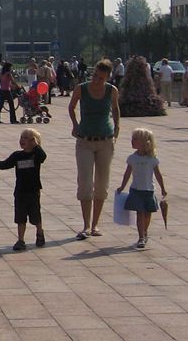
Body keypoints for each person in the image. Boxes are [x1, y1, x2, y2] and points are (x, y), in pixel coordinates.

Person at [68, 59, 120, 240]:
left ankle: (95, 224)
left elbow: (115, 109)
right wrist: (75, 125)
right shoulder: (81, 88)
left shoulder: (112, 90)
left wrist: (117, 128)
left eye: (101, 78)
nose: (97, 80)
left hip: (105, 140)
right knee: (85, 182)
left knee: (101, 183)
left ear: (108, 78)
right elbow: (71, 107)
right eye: (95, 76)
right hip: (85, 140)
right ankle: (86, 225)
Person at [0, 128, 47, 251]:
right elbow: (5, 164)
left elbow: (43, 157)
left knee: (35, 215)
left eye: (26, 138)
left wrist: (36, 146)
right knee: (20, 216)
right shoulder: (17, 155)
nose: (22, 140)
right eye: (21, 137)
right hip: (20, 191)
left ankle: (40, 233)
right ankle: (20, 240)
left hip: (33, 190)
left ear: (33, 141)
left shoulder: (36, 155)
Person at [116, 128, 167, 249]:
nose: (132, 141)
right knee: (139, 213)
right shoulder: (132, 158)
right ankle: (141, 237)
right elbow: (127, 173)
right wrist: (122, 186)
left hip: (149, 190)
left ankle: (145, 231)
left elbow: (158, 174)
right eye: (132, 139)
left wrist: (163, 188)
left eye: (135, 139)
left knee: (148, 214)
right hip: (136, 190)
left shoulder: (152, 159)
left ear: (145, 142)